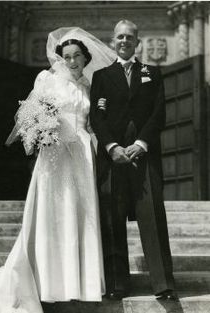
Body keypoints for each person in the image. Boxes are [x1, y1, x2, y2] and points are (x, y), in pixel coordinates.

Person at [0, 27, 116, 313]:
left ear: (86, 58)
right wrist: (42, 132)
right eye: (67, 56)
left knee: (81, 215)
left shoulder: (90, 86)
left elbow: (91, 123)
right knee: (54, 214)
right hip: (54, 155)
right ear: (60, 58)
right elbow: (30, 117)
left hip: (83, 154)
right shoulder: (48, 79)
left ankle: (81, 283)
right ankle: (50, 282)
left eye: (77, 56)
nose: (72, 61)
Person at [90, 20, 176, 300]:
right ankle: (117, 284)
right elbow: (96, 117)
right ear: (113, 42)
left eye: (129, 37)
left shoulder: (152, 72)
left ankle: (163, 285)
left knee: (152, 216)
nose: (124, 41)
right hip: (113, 159)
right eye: (120, 37)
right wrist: (112, 147)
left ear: (137, 42)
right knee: (113, 220)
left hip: (144, 156)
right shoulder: (102, 76)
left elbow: (159, 113)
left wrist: (141, 144)